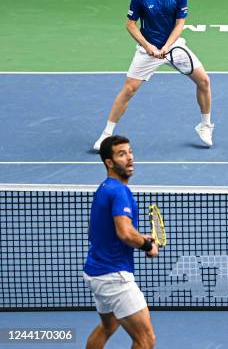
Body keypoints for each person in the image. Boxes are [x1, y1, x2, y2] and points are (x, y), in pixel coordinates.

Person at [93, 0, 213, 151]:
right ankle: (106, 134)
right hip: (148, 50)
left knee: (204, 81)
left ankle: (205, 125)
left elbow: (179, 24)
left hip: (173, 47)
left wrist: (167, 46)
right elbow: (130, 25)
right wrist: (148, 46)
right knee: (129, 90)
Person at [84, 135, 158, 349]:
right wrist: (146, 245)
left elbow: (101, 230)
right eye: (121, 154)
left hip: (95, 272)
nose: (130, 158)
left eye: (130, 152)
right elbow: (125, 234)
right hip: (114, 277)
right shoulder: (119, 192)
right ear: (109, 162)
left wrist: (138, 236)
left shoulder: (105, 187)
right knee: (145, 340)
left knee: (108, 326)